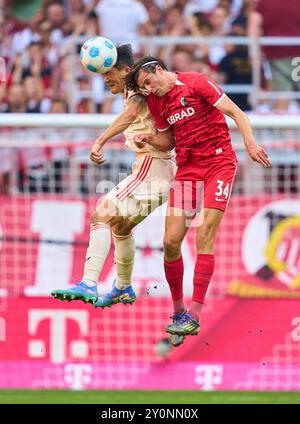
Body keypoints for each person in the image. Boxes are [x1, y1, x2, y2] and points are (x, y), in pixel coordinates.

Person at [126, 56, 271, 337]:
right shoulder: (157, 102)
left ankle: (195, 312)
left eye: (148, 82)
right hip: (188, 168)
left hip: (219, 163)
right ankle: (179, 310)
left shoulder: (196, 83)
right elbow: (169, 140)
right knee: (170, 242)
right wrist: (150, 139)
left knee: (204, 233)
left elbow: (237, 113)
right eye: (143, 88)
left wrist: (250, 144)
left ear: (158, 69)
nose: (149, 90)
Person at [51, 45, 176, 314]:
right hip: (156, 170)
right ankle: (122, 286)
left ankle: (88, 283)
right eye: (102, 74)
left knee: (101, 215)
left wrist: (100, 140)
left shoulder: (138, 86)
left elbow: (131, 114)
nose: (106, 79)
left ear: (127, 71)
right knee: (120, 226)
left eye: (109, 73)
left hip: (152, 167)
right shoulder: (136, 87)